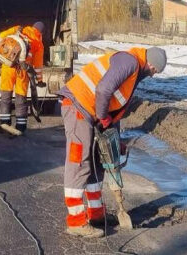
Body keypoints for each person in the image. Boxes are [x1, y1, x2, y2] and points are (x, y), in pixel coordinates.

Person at [58, 47, 167, 237]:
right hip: (79, 105)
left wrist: (115, 142)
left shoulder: (132, 72)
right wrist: (103, 117)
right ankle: (76, 221)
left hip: (91, 111)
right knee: (79, 161)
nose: (151, 75)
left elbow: (113, 110)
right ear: (150, 64)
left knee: (96, 162)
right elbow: (103, 89)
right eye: (154, 71)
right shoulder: (129, 62)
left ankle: (96, 214)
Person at [0, 21, 45, 133]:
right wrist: (39, 80)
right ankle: (21, 126)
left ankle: (4, 124)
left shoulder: (20, 30)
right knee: (21, 98)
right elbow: (38, 65)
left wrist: (14, 28)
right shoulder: (38, 43)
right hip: (23, 72)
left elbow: (1, 36)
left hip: (8, 67)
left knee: (5, 97)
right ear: (41, 32)